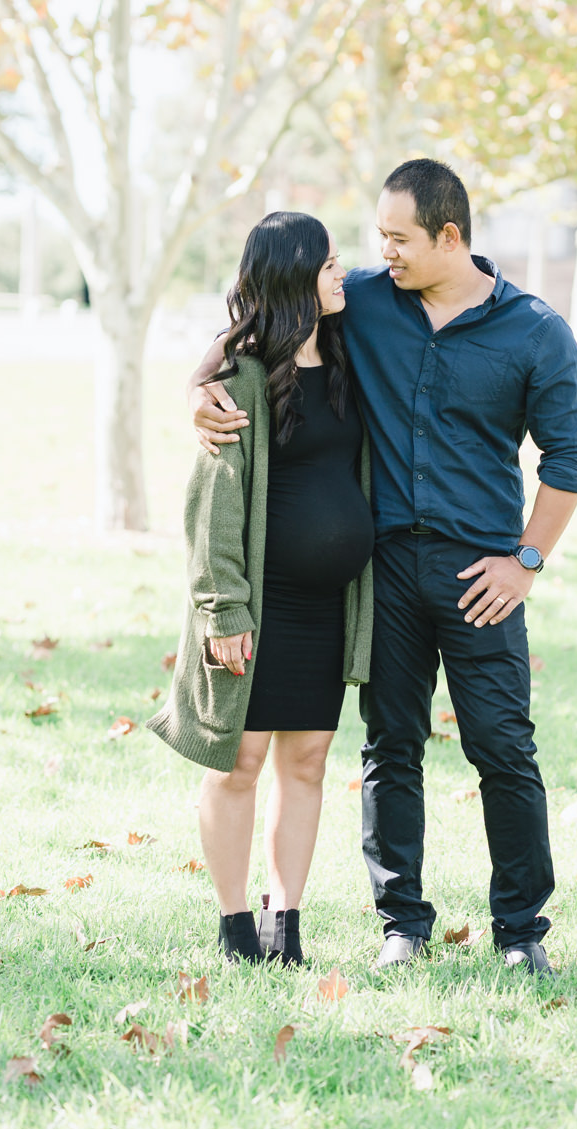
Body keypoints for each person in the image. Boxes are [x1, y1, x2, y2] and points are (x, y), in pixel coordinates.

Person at [191, 160, 577, 976]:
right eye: (381, 237)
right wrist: (197, 390)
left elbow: (573, 455)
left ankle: (520, 931)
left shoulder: (535, 330)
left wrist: (525, 560)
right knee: (391, 745)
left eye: (398, 237)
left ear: (450, 237)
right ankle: (401, 923)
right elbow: (258, 328)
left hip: (483, 572)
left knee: (504, 748)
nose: (384, 253)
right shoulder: (369, 302)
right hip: (384, 572)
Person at [148, 211, 375, 967]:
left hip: (324, 609)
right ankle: (235, 920)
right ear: (295, 275)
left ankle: (288, 922)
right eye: (330, 263)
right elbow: (211, 509)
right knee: (239, 762)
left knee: (307, 759)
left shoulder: (351, 345)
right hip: (256, 603)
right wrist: (224, 610)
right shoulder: (239, 377)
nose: (344, 274)